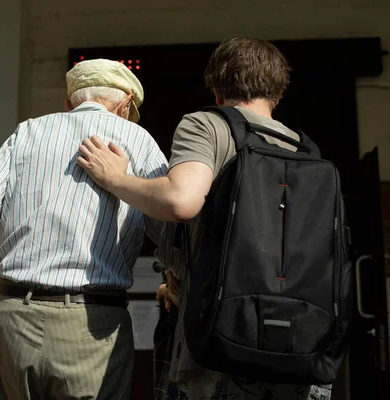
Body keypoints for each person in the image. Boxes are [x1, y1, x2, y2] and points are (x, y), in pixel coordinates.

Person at [77, 36, 333, 400]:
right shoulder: (304, 148)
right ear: (278, 91)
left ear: (217, 89)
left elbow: (181, 202)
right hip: (299, 342)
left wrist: (114, 178)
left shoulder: (207, 126)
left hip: (223, 342)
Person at [0, 58, 169, 400]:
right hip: (93, 325)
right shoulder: (138, 140)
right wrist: (177, 279)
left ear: (69, 103)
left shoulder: (27, 133)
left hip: (11, 320)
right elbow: (171, 233)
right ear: (126, 103)